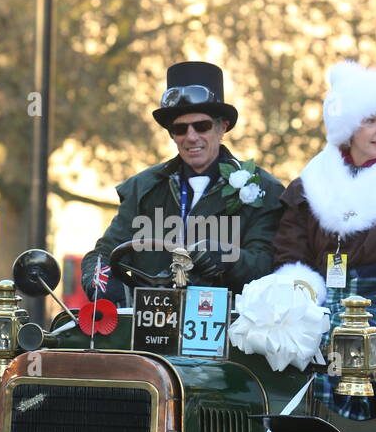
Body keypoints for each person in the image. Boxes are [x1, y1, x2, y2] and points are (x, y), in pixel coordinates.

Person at [230, 61, 376, 415]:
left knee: (341, 342)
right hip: (320, 292)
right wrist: (295, 297)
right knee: (269, 338)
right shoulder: (310, 186)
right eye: (371, 120)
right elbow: (291, 254)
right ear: (348, 126)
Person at [81, 62, 285, 301]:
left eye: (202, 126)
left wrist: (228, 258)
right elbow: (102, 255)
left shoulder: (262, 189)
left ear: (222, 127)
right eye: (180, 129)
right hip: (150, 326)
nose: (191, 137)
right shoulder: (143, 188)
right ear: (172, 134)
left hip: (228, 327)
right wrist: (103, 286)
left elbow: (267, 265)